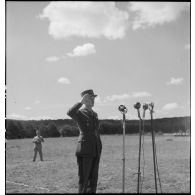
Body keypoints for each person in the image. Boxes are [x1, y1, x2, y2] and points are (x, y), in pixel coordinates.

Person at [67, 89, 102, 193]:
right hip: (85, 149)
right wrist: (80, 102)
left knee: (93, 178)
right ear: (85, 99)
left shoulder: (94, 114)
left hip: (95, 148)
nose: (93, 100)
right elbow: (70, 112)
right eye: (90, 98)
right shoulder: (80, 112)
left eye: (93, 98)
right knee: (84, 178)